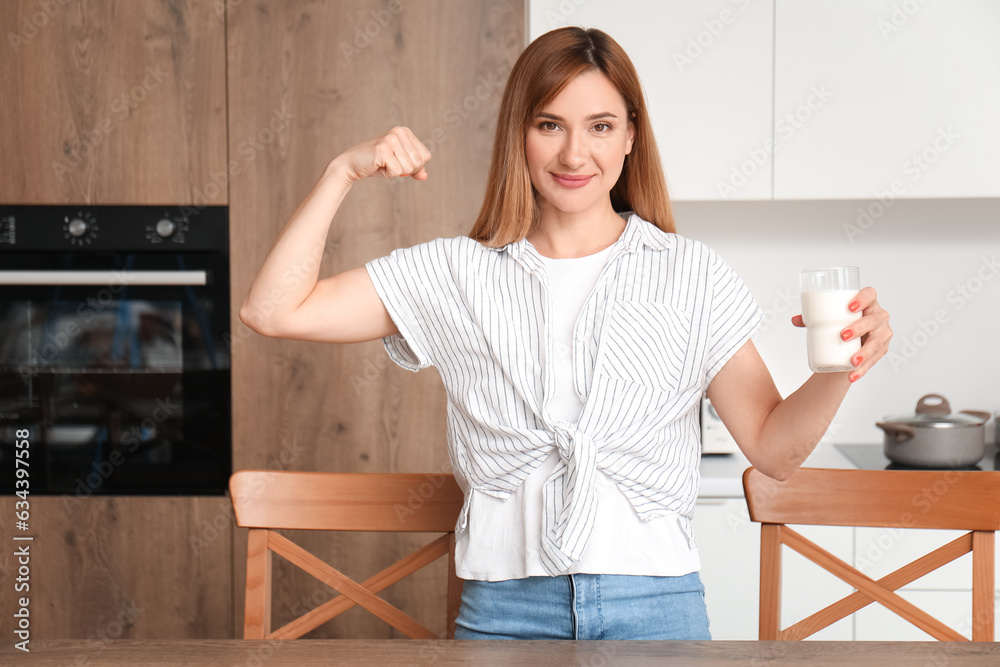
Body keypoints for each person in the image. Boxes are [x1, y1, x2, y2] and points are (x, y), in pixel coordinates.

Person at [240, 27, 892, 640]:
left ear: (632, 136)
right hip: (504, 608)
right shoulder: (455, 273)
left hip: (657, 608)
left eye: (600, 126)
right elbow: (274, 310)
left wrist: (840, 367)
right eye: (549, 124)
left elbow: (774, 449)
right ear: (518, 135)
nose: (575, 154)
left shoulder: (690, 274)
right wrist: (342, 172)